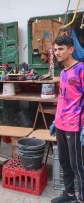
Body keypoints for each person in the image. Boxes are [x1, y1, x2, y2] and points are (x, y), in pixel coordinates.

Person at [50, 35, 84, 203]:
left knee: (77, 164)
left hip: (75, 125)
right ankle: (69, 194)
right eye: (55, 49)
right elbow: (63, 99)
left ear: (71, 49)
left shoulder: (81, 69)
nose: (57, 52)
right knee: (64, 161)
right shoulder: (63, 73)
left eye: (61, 49)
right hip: (62, 124)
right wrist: (56, 120)